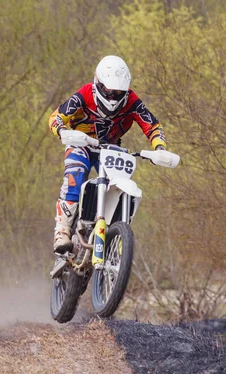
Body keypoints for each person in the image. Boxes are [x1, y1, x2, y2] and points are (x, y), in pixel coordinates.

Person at [49, 55, 168, 253]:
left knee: (118, 186)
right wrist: (62, 130)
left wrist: (160, 148)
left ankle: (114, 232)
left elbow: (152, 125)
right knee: (75, 175)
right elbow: (56, 116)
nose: (113, 97)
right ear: (98, 84)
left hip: (110, 149)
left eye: (118, 93)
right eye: (109, 92)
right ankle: (62, 231)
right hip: (82, 144)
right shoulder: (84, 94)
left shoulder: (132, 101)